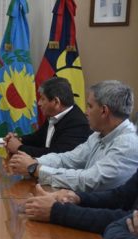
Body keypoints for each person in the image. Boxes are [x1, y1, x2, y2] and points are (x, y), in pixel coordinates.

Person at [8, 80, 138, 192]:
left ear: (104, 111)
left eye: (90, 106)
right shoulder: (99, 134)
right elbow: (68, 159)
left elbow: (88, 180)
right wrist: (36, 162)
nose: (85, 112)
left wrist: (35, 169)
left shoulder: (128, 144)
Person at [24, 167, 138, 236]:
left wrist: (57, 211)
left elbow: (130, 220)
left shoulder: (126, 143)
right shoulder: (95, 137)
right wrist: (77, 198)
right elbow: (120, 197)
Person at [4, 77, 91, 157]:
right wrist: (17, 139)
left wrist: (19, 148)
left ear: (56, 102)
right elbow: (38, 138)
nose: (39, 103)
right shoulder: (54, 115)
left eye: (42, 99)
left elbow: (57, 155)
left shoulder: (78, 124)